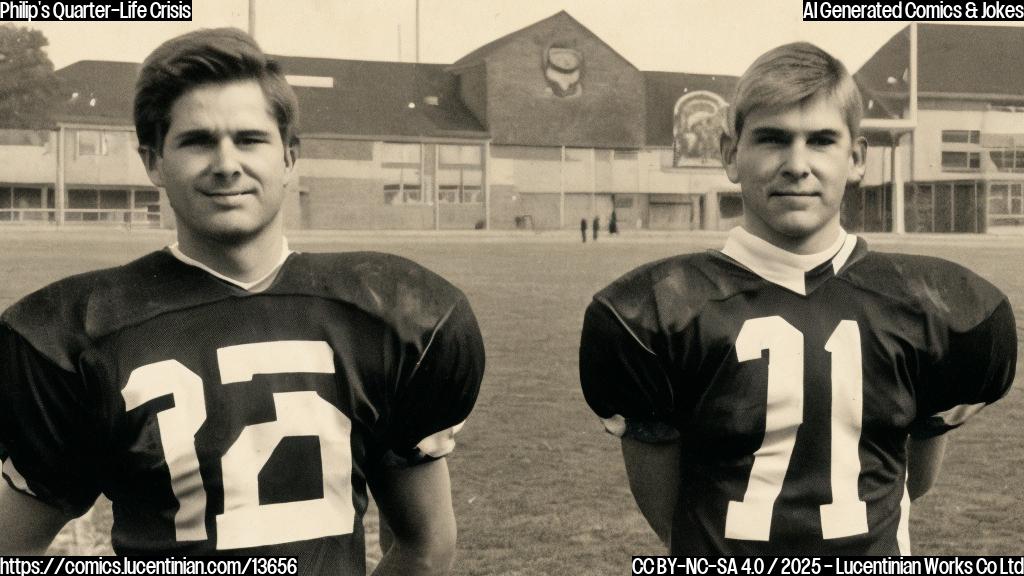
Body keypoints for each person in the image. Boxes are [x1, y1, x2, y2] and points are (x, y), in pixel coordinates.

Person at [0, 28, 484, 575]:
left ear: (288, 157)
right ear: (153, 161)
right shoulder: (82, 335)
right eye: (198, 140)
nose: (226, 163)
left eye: (250, 139)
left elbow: (426, 545)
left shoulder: (384, 316)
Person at [579, 42, 1016, 555]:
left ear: (856, 158)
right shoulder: (657, 313)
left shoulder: (931, 307)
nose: (797, 164)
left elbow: (910, 482)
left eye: (822, 140)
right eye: (772, 139)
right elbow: (667, 508)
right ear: (729, 155)